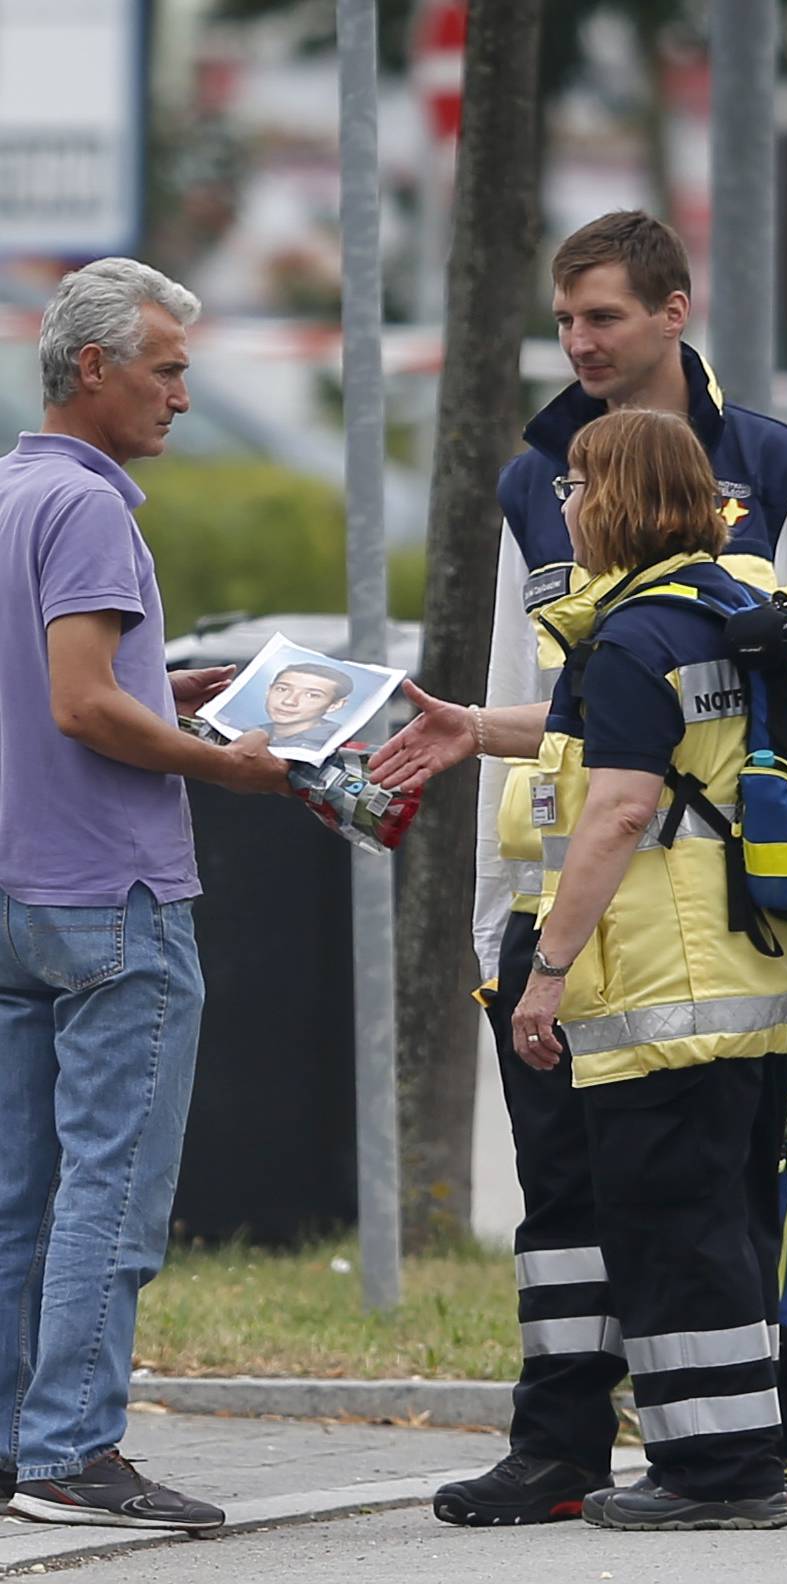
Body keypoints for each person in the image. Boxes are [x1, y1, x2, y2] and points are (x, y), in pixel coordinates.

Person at [448, 209, 787, 1528]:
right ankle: (571, 1444)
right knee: (587, 1198)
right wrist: (505, 917)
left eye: (601, 316)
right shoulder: (539, 479)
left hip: (671, 940)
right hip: (599, 927)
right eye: (563, 321)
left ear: (674, 310)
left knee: (699, 1203)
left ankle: (733, 1457)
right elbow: (540, 708)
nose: (578, 345)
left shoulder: (774, 472)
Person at [371, 408, 787, 1531]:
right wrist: (474, 726)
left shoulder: (632, 637)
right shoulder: (719, 610)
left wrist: (547, 969)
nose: (564, 505)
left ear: (619, 497)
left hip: (661, 982)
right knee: (716, 1213)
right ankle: (738, 1453)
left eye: (578, 485)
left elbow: (619, 805)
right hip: (746, 978)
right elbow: (595, 734)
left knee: (671, 1223)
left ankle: (717, 1477)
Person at [0, 259, 290, 1533]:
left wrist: (160, 695)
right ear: (94, 370)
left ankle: (19, 1448)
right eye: (166, 370)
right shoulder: (93, 510)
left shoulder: (11, 492)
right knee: (111, 1190)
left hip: (16, 888)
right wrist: (225, 761)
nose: (182, 394)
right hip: (113, 894)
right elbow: (78, 702)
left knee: (16, 1191)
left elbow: (53, 690)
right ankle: (73, 1455)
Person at [245, 661, 354, 751]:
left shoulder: (342, 746)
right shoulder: (247, 733)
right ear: (268, 690)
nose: (289, 701)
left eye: (312, 695)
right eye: (282, 689)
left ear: (335, 705)